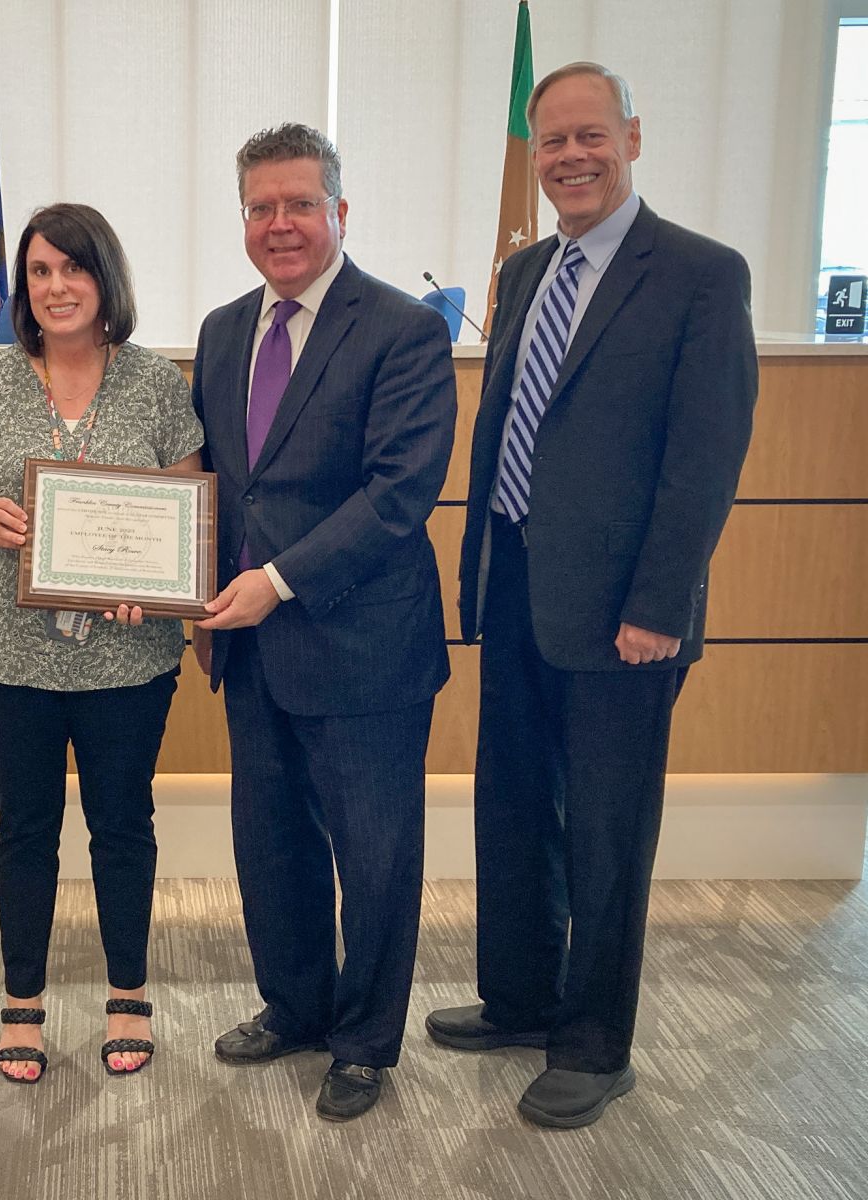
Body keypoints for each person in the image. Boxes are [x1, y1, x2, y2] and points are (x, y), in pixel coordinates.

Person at [425, 62, 758, 1129]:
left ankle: (594, 1041)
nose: (570, 156)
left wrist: (662, 602)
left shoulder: (702, 274)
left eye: (589, 135)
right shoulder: (525, 272)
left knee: (608, 829)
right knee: (514, 804)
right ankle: (521, 997)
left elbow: (705, 456)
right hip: (517, 582)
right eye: (551, 141)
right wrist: (478, 571)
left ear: (631, 136)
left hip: (627, 613)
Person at [191, 124, 457, 1121]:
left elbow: (399, 493)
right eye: (261, 207)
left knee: (375, 855)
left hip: (362, 645)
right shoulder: (222, 331)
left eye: (300, 203)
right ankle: (294, 1004)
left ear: (340, 212)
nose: (280, 223)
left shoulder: (401, 329)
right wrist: (202, 598)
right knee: (272, 844)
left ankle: (362, 1042)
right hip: (251, 649)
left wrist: (277, 581)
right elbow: (218, 486)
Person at [0, 203, 203, 1084]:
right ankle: (23, 1003)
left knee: (122, 826)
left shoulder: (159, 384)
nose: (55, 287)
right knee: (24, 829)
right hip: (9, 653)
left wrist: (154, 586)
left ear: (105, 280)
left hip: (128, 660)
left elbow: (187, 511)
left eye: (73, 268)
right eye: (39, 271)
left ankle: (127, 991)